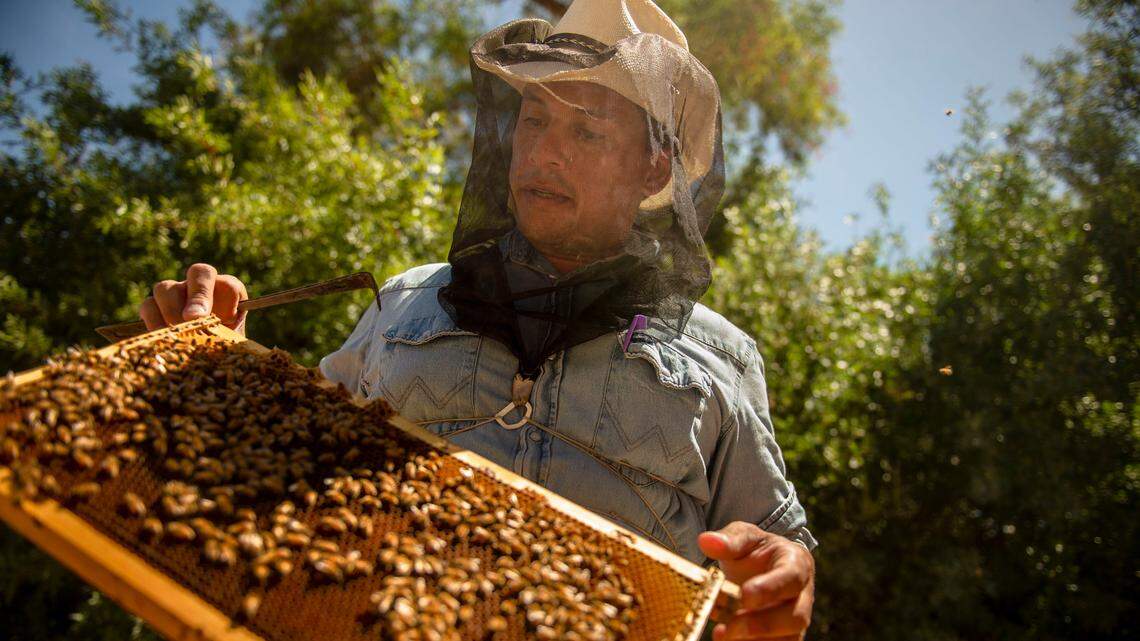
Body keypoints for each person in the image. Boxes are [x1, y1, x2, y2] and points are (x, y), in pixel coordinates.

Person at [140, 1, 816, 638]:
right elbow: (285, 471)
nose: (546, 152)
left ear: (652, 168)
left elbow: (774, 549)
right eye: (534, 118)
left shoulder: (723, 358)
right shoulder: (402, 300)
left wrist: (786, 572)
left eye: (586, 128)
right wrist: (210, 366)